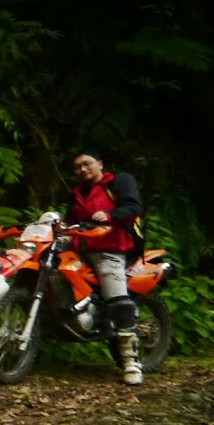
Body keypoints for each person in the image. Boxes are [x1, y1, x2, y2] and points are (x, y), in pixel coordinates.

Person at [68, 150, 145, 385]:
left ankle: (132, 362)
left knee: (117, 301)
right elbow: (69, 221)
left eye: (87, 164)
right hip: (80, 250)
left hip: (109, 248)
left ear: (100, 164)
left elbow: (133, 206)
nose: (83, 169)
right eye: (78, 167)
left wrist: (110, 214)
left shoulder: (118, 181)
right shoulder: (77, 193)